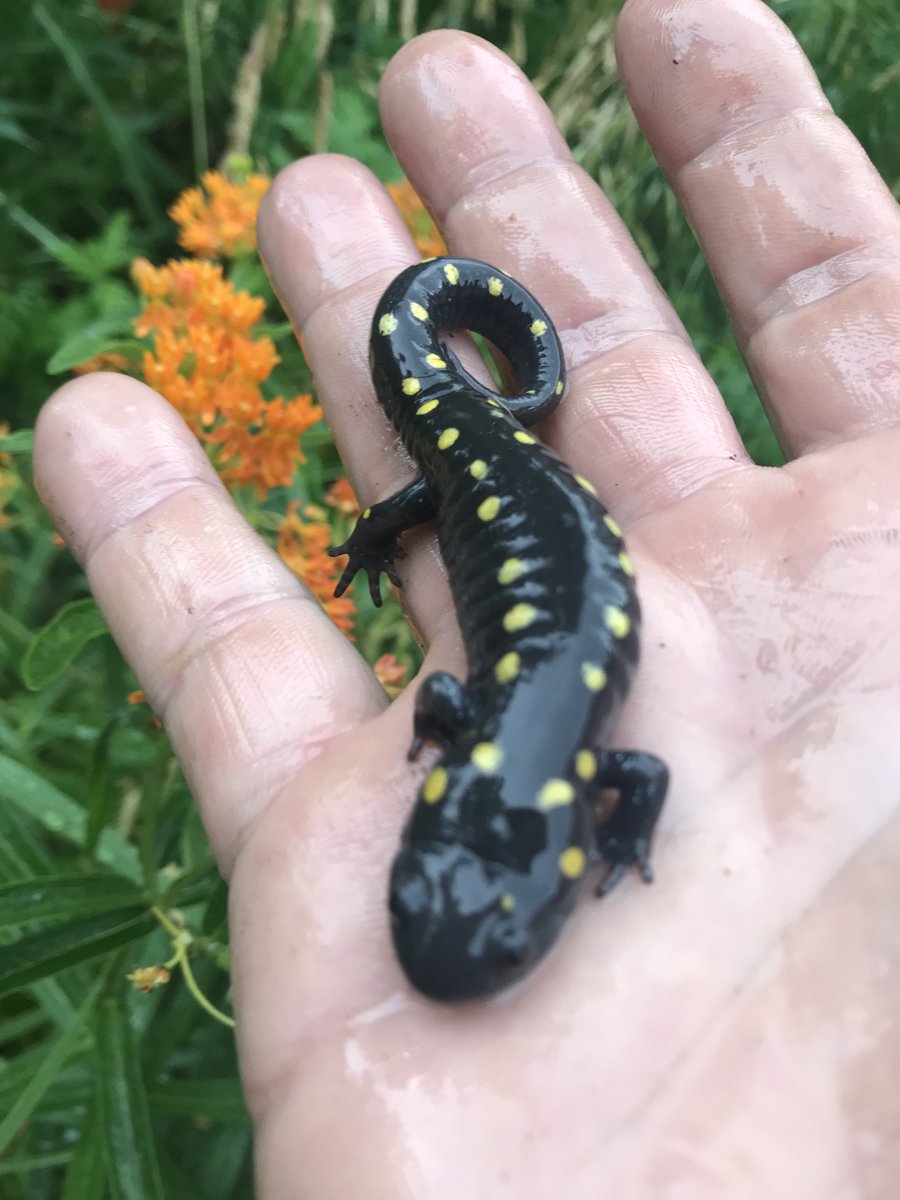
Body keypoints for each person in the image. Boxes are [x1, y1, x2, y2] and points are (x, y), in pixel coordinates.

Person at [34, 0, 900, 1193]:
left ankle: (457, 404)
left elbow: (590, 764)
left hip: (514, 498)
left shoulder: (549, 773)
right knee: (450, 475)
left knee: (451, 479)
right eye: (494, 918)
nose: (446, 932)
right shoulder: (540, 765)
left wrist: (592, 819)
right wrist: (614, 832)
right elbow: (611, 770)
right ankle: (451, 394)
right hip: (516, 498)